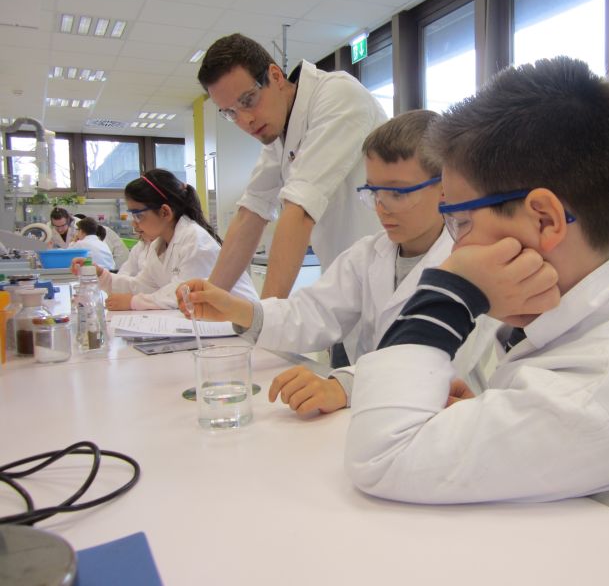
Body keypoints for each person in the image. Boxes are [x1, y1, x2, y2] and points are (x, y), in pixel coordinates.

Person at [343, 58, 609, 526]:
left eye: (460, 221)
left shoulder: (603, 386)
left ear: (544, 220)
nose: (455, 248)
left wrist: (450, 290)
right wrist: (494, 413)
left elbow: (380, 455)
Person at [179, 110, 494, 416]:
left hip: (445, 422)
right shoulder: (368, 255)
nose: (381, 208)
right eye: (374, 191)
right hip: (375, 415)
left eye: (397, 193)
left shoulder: (473, 262)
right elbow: (312, 313)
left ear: (445, 187)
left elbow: (437, 360)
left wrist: (346, 385)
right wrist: (237, 310)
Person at [197, 33, 386, 301]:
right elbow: (251, 212)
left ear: (275, 76)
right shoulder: (280, 132)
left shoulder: (338, 95)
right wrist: (209, 300)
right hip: (347, 284)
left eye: (248, 100)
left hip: (387, 279)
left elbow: (300, 209)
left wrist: (265, 317)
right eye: (230, 113)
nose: (245, 120)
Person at [73, 169, 258, 311]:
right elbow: (143, 286)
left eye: (138, 215)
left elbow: (184, 294)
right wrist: (102, 276)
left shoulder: (195, 240)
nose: (134, 223)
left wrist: (133, 302)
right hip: (210, 323)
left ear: (165, 212)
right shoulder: (158, 245)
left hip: (239, 325)